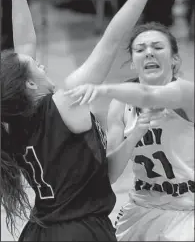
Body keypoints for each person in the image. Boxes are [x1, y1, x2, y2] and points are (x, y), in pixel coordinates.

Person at [1, 0, 184, 241]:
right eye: (34, 64)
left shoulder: (16, 119)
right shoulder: (67, 101)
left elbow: (24, 44)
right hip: (79, 232)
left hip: (41, 231)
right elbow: (111, 41)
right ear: (29, 84)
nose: (41, 62)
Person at [65, 24, 194, 240]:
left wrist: (101, 88)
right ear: (133, 63)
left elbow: (149, 96)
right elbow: (111, 174)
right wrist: (134, 135)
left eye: (157, 47)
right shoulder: (119, 105)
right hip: (142, 208)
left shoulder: (186, 92)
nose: (149, 52)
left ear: (175, 60)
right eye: (140, 49)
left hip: (187, 211)